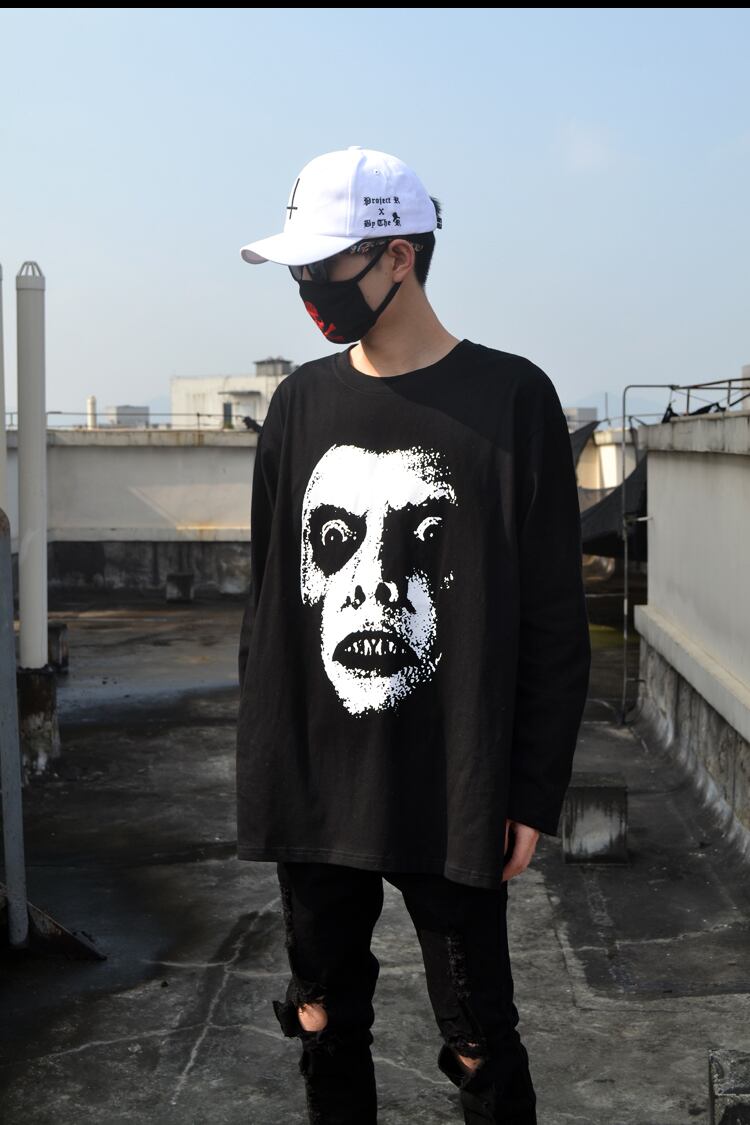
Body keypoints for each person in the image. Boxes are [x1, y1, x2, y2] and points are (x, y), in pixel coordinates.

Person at [236, 146, 591, 1125]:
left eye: (326, 267)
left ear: (400, 256)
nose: (309, 289)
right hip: (316, 777)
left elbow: (553, 618)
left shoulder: (512, 399)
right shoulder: (298, 404)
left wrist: (531, 788)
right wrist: (265, 765)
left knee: (478, 1039)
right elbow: (270, 601)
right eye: (299, 269)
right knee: (320, 1014)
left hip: (453, 781)